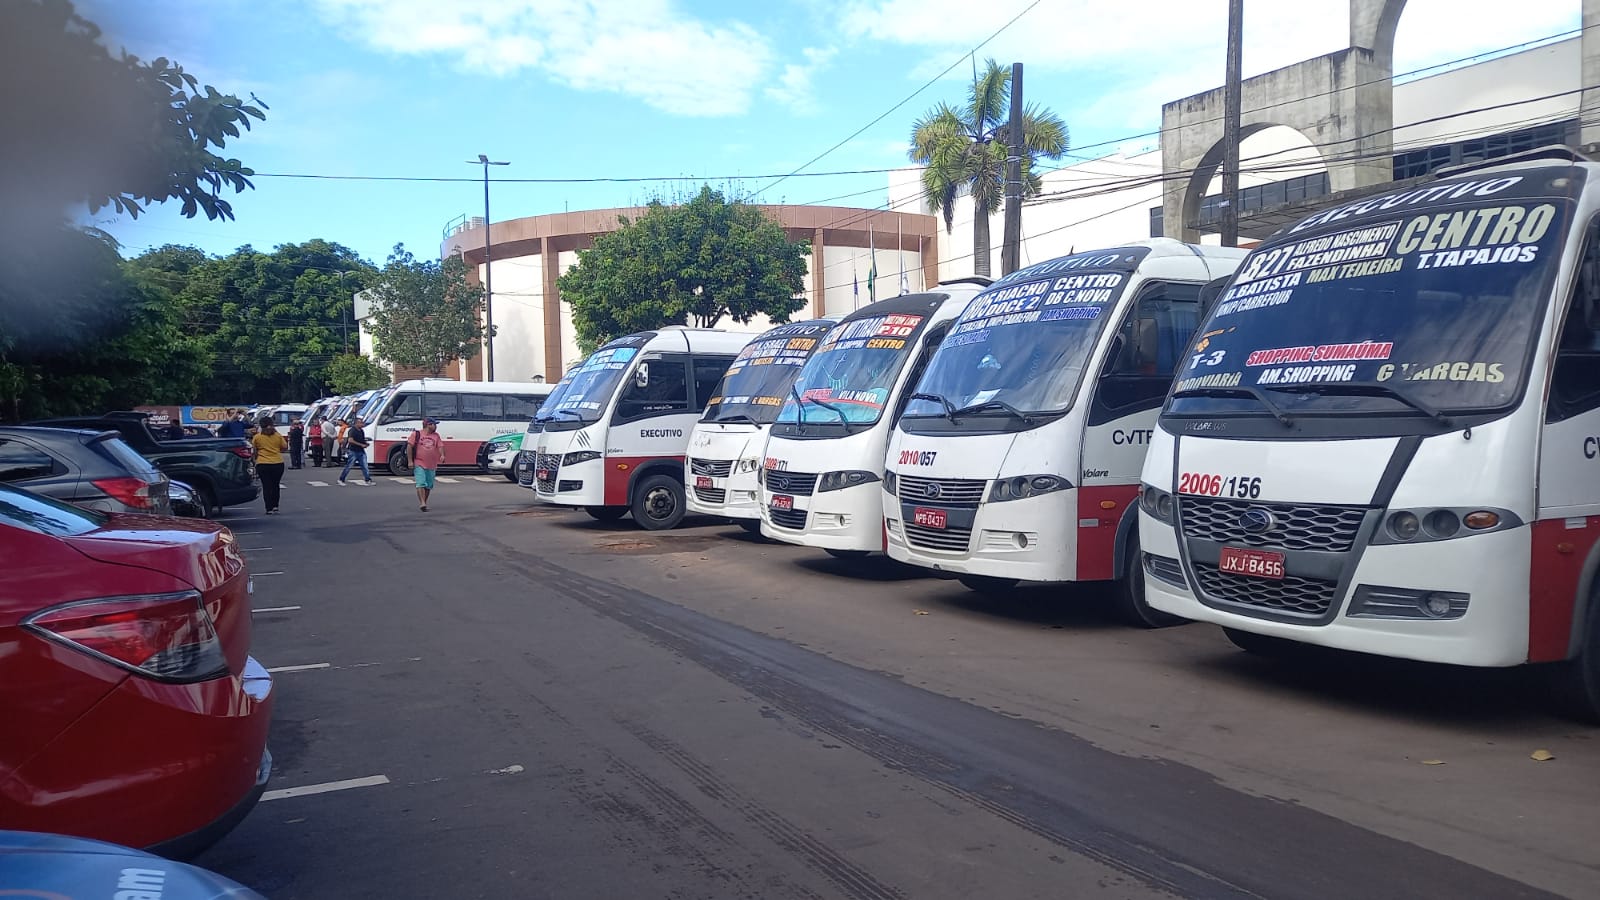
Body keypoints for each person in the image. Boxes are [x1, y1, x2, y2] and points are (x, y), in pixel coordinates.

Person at [251, 416, 289, 514]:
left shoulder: (257, 437)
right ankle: (275, 506)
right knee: (275, 485)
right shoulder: (278, 436)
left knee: (266, 486)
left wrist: (255, 460)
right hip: (277, 462)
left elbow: (254, 451)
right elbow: (284, 447)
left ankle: (269, 508)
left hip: (263, 463)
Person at [407, 417, 446, 511]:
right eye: (434, 424)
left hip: (432, 464)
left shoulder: (436, 436)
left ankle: (424, 502)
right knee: (420, 483)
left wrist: (442, 455)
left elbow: (440, 446)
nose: (436, 426)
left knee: (428, 485)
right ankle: (422, 503)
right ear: (429, 425)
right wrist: (410, 461)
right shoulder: (416, 434)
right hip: (419, 462)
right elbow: (409, 447)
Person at [339, 416, 374, 485]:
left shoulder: (361, 431)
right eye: (361, 423)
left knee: (365, 465)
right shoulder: (352, 430)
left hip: (361, 451)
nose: (362, 424)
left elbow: (361, 439)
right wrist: (361, 445)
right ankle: (341, 479)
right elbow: (350, 440)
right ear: (356, 423)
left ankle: (368, 480)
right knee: (349, 465)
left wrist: (365, 443)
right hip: (353, 451)